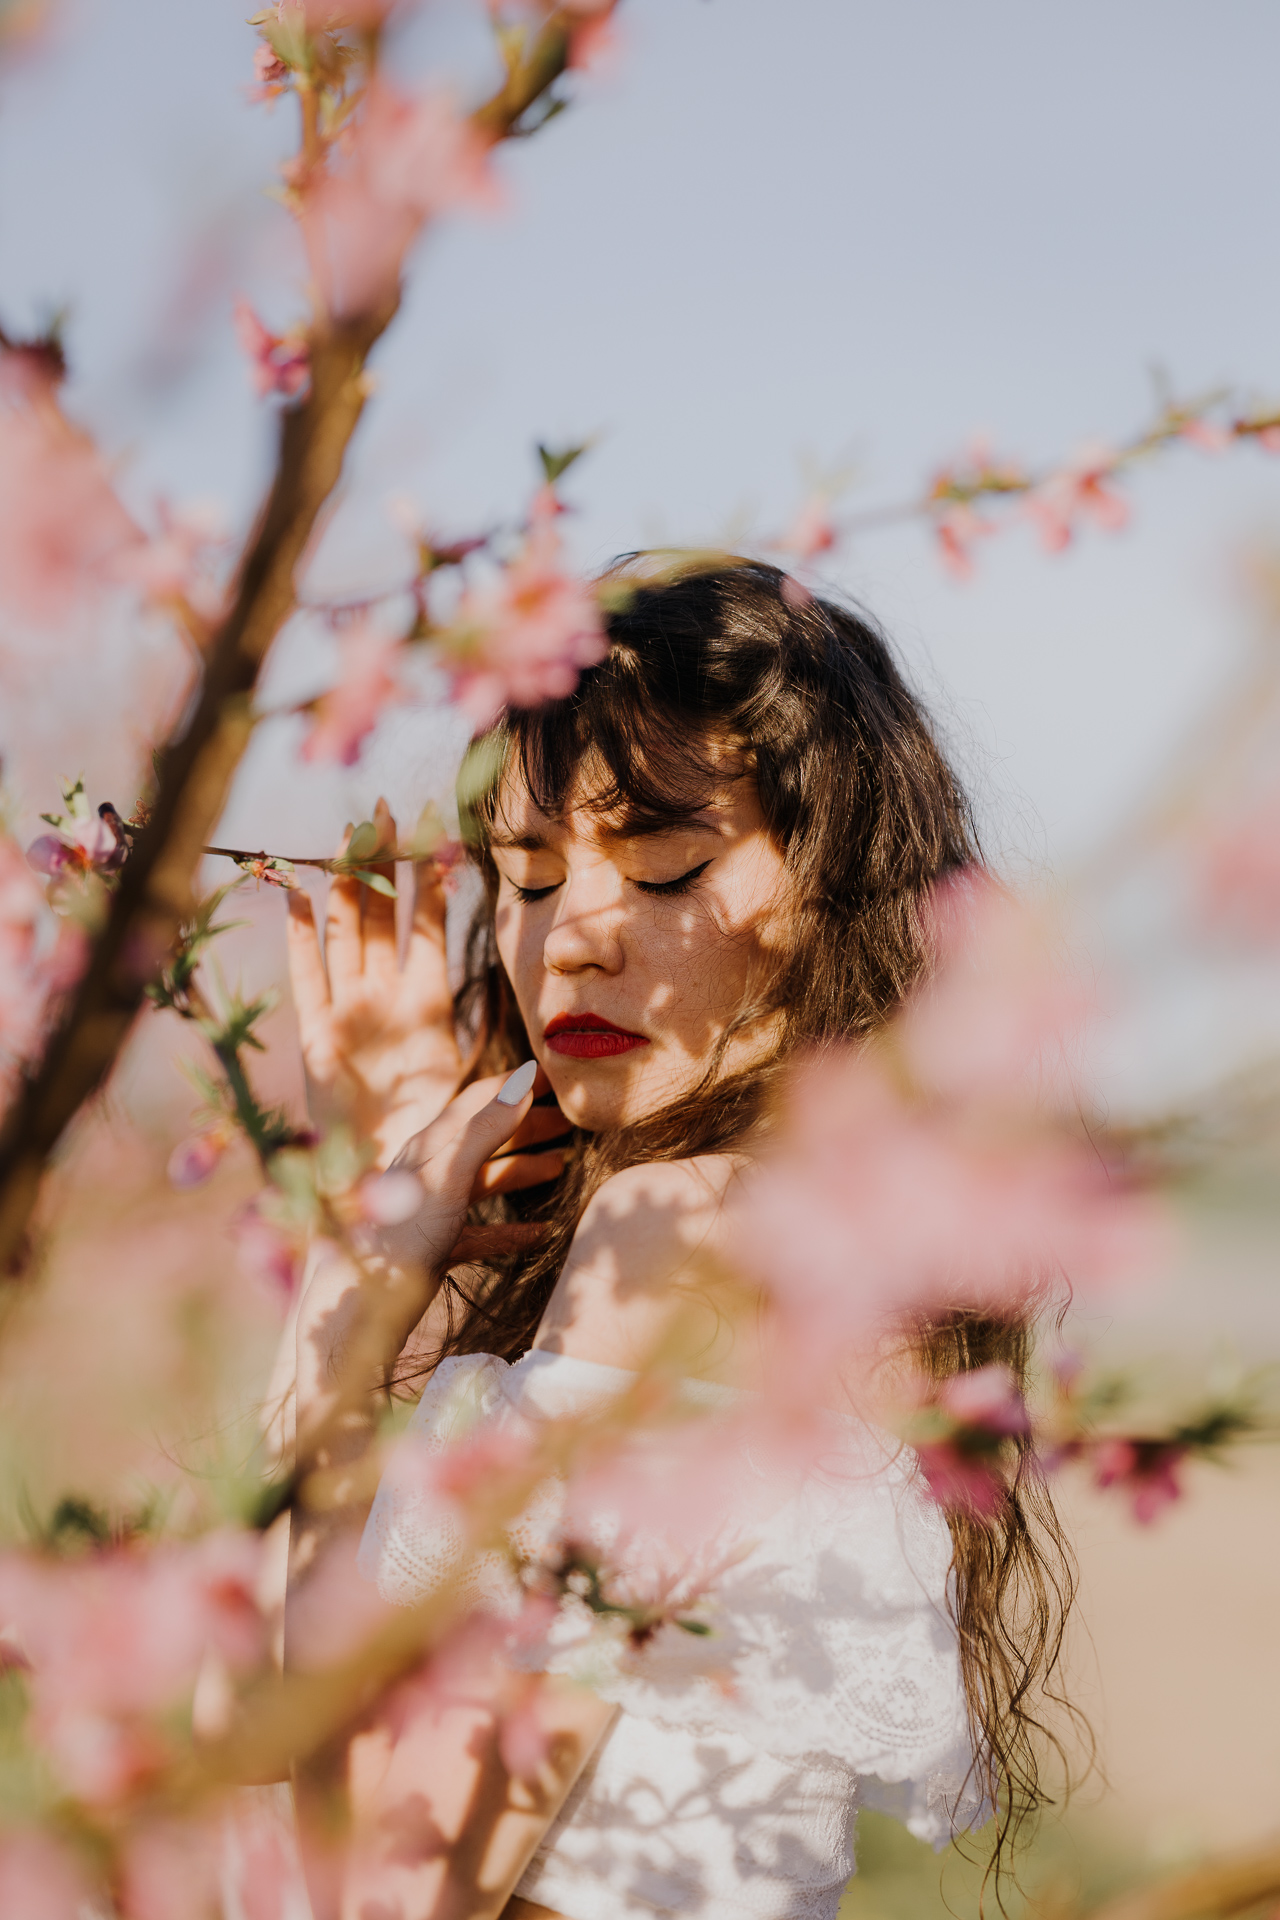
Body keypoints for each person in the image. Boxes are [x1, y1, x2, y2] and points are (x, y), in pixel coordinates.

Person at [279, 559, 1072, 1920]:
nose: (570, 941)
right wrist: (378, 1193)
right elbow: (290, 1714)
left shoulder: (671, 1230)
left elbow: (384, 1880)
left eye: (664, 868)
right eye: (524, 881)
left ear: (837, 887)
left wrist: (357, 1282)